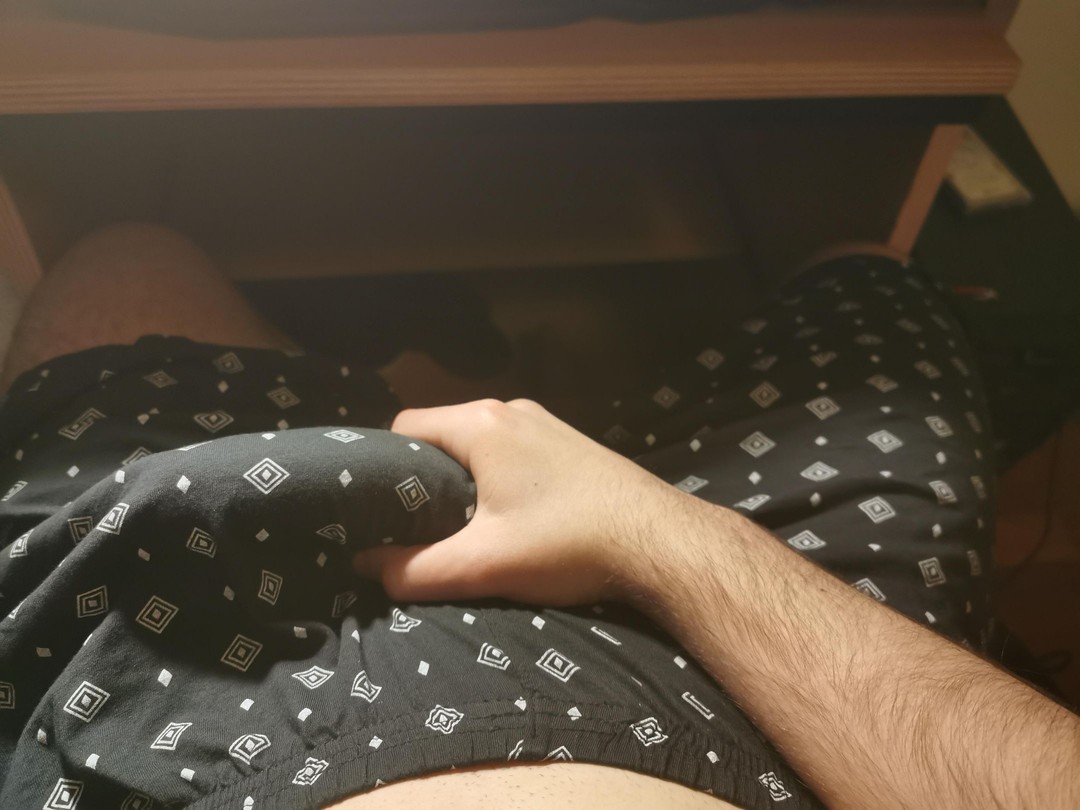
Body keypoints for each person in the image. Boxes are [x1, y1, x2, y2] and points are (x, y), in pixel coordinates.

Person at [0, 224, 1076, 809]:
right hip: (800, 718)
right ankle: (497, 398)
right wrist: (661, 530)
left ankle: (392, 375)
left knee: (128, 258)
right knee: (867, 273)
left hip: (198, 698)